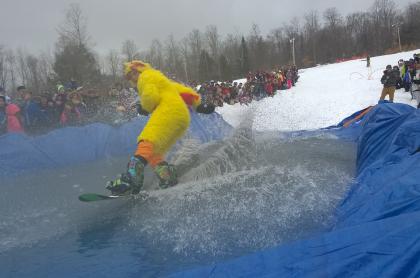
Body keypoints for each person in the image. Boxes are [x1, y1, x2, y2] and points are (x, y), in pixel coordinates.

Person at [106, 60, 215, 196]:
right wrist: (199, 105)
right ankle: (167, 177)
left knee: (146, 140)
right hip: (181, 118)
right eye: (128, 77)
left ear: (139, 70)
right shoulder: (161, 80)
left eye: (131, 74)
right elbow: (183, 92)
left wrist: (144, 107)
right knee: (154, 152)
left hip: (167, 112)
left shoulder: (145, 76)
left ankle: (132, 178)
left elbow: (150, 96)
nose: (131, 79)